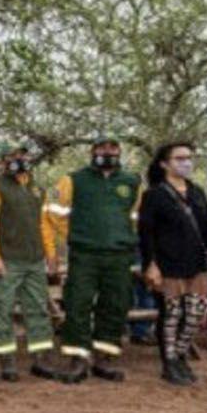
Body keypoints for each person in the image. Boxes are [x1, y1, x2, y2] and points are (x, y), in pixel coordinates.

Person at [43, 134, 141, 383]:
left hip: (119, 255)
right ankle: (77, 360)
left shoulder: (132, 182)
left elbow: (138, 219)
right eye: (102, 148)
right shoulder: (72, 180)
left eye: (113, 148)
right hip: (84, 254)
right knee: (78, 304)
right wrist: (77, 234)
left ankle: (104, 359)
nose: (107, 152)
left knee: (115, 305)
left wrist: (123, 238)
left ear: (119, 152)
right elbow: (51, 213)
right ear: (92, 151)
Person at [138, 142, 207, 386]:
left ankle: (181, 352)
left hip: (196, 262)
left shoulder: (197, 192)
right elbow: (146, 233)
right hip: (168, 263)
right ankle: (170, 361)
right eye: (179, 158)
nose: (186, 162)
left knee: (195, 313)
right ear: (164, 163)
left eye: (188, 157)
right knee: (172, 314)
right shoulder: (154, 194)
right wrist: (150, 264)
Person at [0, 143, 57, 382]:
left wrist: (51, 255)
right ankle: (7, 360)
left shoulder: (37, 189)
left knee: (38, 310)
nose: (18, 159)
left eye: (22, 155)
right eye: (12, 156)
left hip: (34, 261)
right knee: (2, 310)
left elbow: (44, 224)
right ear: (1, 161)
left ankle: (40, 359)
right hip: (7, 261)